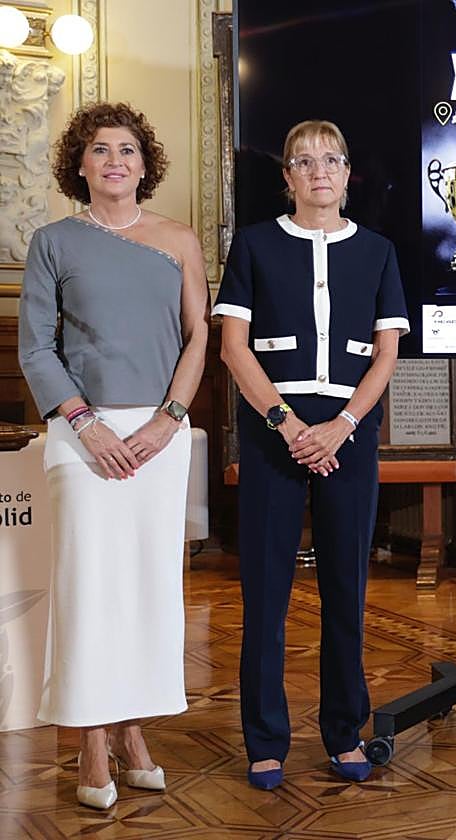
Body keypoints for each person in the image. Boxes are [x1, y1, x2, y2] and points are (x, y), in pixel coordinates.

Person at [18, 102, 208, 809]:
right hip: (79, 436)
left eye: (127, 149)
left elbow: (198, 339)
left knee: (145, 592)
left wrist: (168, 422)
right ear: (81, 162)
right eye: (101, 150)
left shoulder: (178, 240)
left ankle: (132, 733)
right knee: (89, 594)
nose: (115, 160)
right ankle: (91, 744)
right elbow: (36, 347)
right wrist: (85, 424)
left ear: (144, 163)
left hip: (160, 437)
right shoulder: (52, 242)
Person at [214, 120, 408, 790]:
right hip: (275, 431)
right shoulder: (256, 246)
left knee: (345, 595)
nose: (319, 171)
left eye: (332, 160)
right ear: (287, 177)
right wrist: (289, 424)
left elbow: (387, 355)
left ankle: (343, 732)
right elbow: (233, 348)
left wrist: (342, 425)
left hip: (348, 435)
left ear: (348, 175)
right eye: (304, 161)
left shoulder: (379, 252)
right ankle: (265, 741)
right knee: (265, 595)